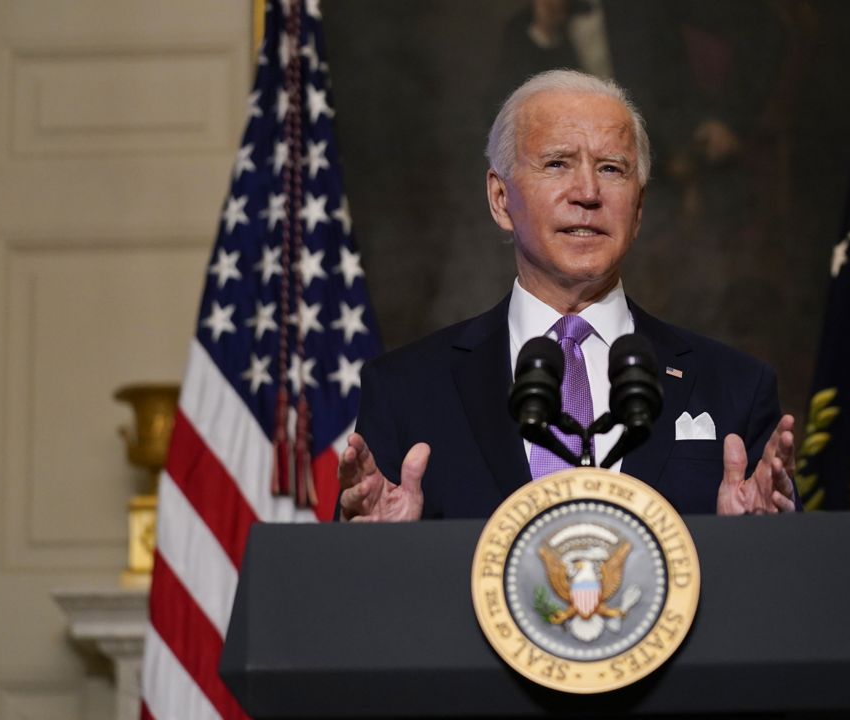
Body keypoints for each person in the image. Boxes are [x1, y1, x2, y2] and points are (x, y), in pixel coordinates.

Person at [338, 69, 796, 521]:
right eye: (557, 163)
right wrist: (380, 549)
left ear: (637, 210)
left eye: (611, 169)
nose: (588, 193)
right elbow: (358, 584)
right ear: (500, 199)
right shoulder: (405, 389)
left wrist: (754, 544)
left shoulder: (735, 388)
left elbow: (784, 580)